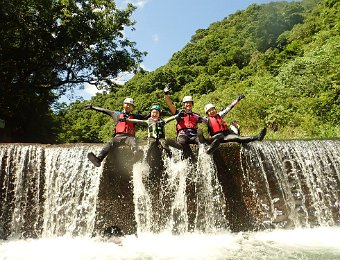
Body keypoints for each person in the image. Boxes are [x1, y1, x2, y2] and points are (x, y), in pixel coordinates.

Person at [84, 98, 147, 167]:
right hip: (118, 136)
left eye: (130, 105)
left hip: (130, 137)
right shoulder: (116, 114)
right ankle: (99, 159)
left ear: (132, 107)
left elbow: (146, 116)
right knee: (110, 144)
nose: (128, 106)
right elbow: (104, 110)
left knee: (133, 143)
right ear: (123, 105)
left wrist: (157, 112)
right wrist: (93, 107)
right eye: (127, 104)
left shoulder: (135, 116)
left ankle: (136, 156)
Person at [202, 95, 267, 154]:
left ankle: (257, 137)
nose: (212, 111)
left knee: (238, 138)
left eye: (213, 109)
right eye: (209, 111)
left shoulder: (220, 115)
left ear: (215, 109)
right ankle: (210, 149)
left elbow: (229, 107)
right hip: (216, 137)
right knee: (216, 140)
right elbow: (197, 117)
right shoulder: (206, 119)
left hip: (225, 136)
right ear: (207, 113)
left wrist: (237, 100)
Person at [163, 86, 204, 159]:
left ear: (192, 104)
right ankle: (174, 144)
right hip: (183, 134)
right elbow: (170, 105)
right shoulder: (179, 113)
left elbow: (207, 120)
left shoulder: (196, 115)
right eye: (186, 103)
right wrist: (166, 94)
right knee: (182, 141)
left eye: (190, 103)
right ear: (184, 105)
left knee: (201, 142)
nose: (188, 104)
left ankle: (205, 149)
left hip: (193, 135)